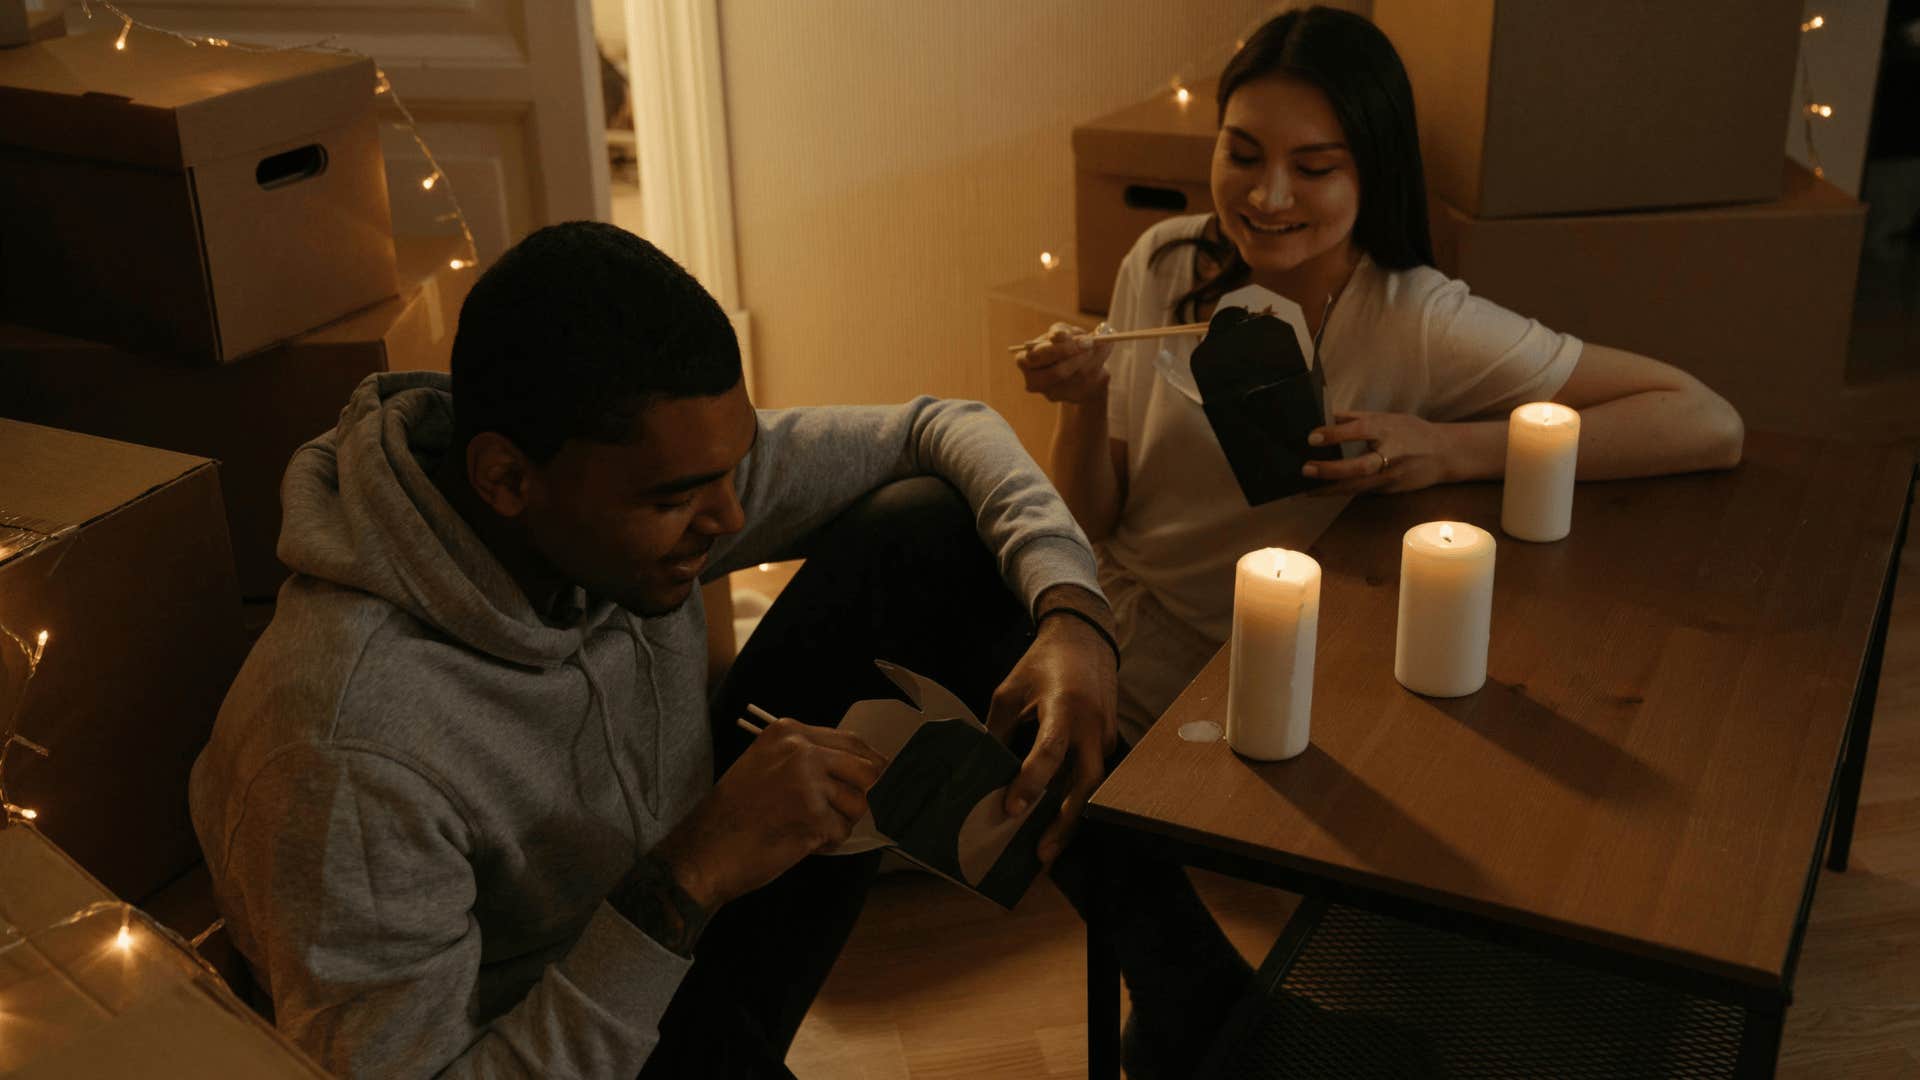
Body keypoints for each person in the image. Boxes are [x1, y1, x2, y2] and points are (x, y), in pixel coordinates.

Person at [189, 221, 1120, 1078]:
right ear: (507, 478)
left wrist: (1073, 614)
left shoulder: (622, 487)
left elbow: (941, 425)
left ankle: (1188, 997)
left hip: (687, 923)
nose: (730, 518)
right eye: (678, 497)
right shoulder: (347, 748)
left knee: (933, 526)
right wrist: (690, 870)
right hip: (554, 1031)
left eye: (733, 465)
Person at [1017, 7, 1744, 1076]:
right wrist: (1082, 406)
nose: (1268, 197)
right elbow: (1094, 526)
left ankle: (1190, 998)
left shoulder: (1418, 320)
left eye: (1315, 166)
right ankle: (1191, 996)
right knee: (984, 639)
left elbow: (1702, 417)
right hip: (1126, 630)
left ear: (1374, 171)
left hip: (1268, 672)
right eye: (1244, 154)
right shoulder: (1164, 266)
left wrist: (1448, 448)